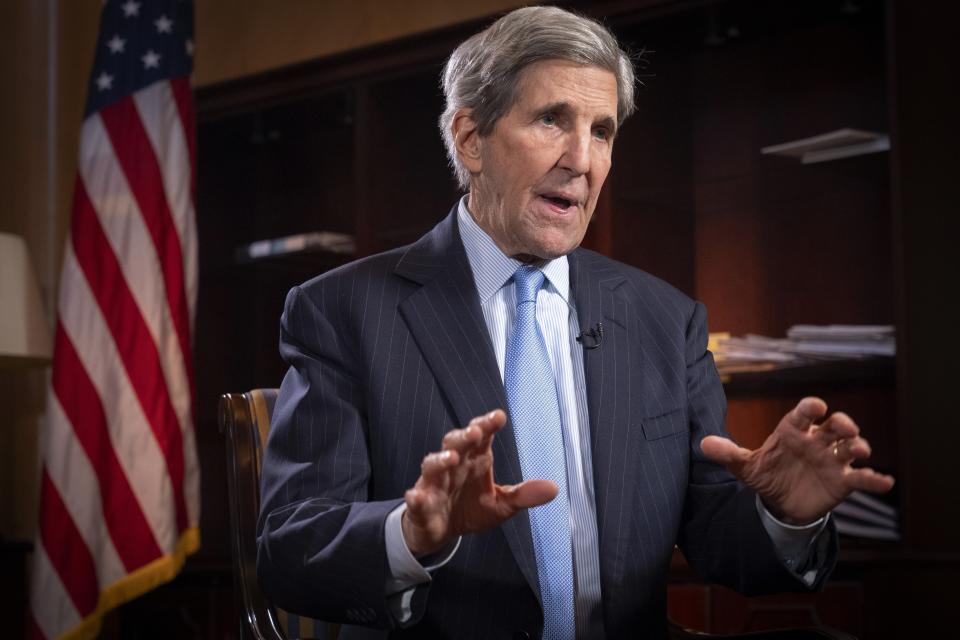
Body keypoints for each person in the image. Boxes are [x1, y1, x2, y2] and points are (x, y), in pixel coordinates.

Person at [256, 6, 894, 639]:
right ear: (471, 140)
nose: (581, 160)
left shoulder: (666, 320)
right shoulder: (343, 310)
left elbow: (718, 538)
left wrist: (784, 516)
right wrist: (409, 533)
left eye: (603, 131)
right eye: (551, 121)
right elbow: (290, 549)